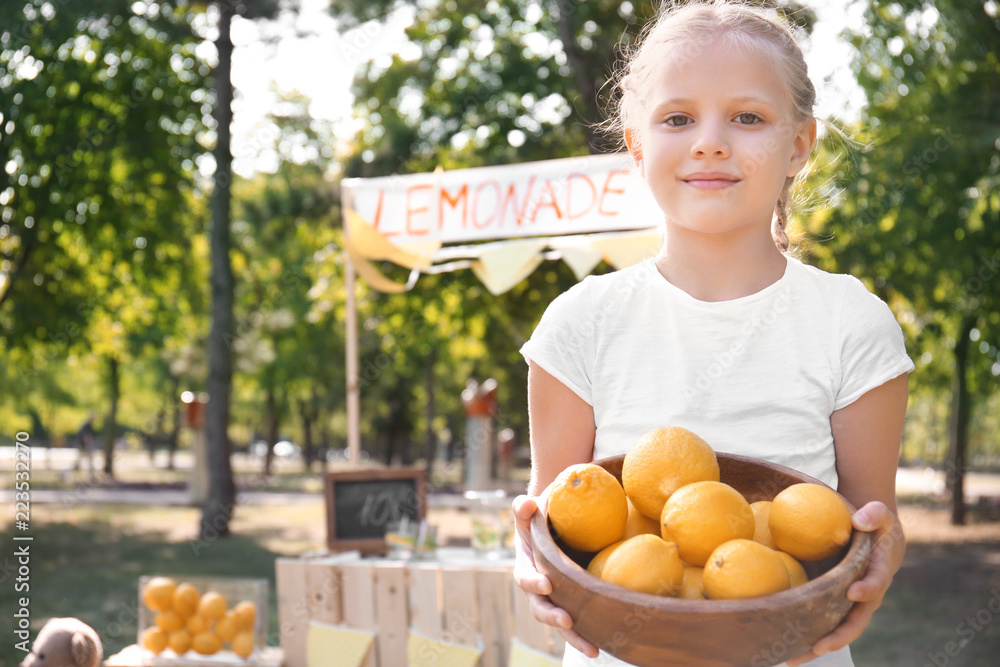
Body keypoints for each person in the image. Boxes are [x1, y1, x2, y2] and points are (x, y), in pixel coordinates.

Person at [511, 2, 914, 666]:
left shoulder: (850, 321)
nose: (710, 141)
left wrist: (880, 558)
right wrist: (528, 566)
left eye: (748, 117)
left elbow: (878, 520)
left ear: (799, 145)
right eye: (677, 118)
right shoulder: (578, 323)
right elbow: (553, 520)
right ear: (637, 147)